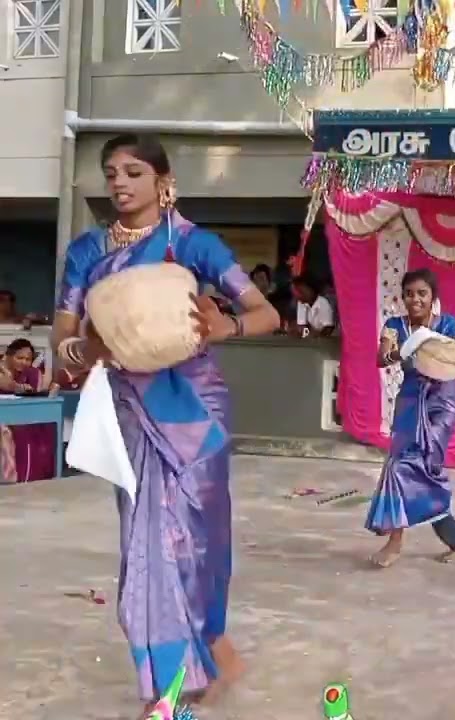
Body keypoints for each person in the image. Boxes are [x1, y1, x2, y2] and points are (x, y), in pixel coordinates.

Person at [49, 133, 281, 717]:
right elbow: (62, 343)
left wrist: (226, 327)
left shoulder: (193, 244)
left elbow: (266, 314)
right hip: (132, 408)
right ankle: (176, 681)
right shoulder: (87, 252)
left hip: (194, 407)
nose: (119, 183)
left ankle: (204, 664)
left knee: (197, 543)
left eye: (133, 172)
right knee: (146, 544)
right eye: (111, 173)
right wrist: (90, 347)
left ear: (162, 180)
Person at [366, 268, 455, 567]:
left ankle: (399, 543)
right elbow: (381, 359)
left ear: (433, 297)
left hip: (442, 403)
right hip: (409, 402)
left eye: (422, 293)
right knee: (402, 466)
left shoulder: (449, 326)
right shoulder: (395, 326)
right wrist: (403, 352)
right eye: (409, 294)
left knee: (420, 467)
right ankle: (453, 542)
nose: (415, 299)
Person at [0, 338, 58, 483]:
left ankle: (35, 475)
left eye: (28, 359)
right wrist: (16, 386)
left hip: (23, 413)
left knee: (42, 427)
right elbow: (6, 385)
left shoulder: (32, 373)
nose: (24, 362)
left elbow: (36, 392)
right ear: (8, 356)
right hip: (4, 415)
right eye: (19, 358)